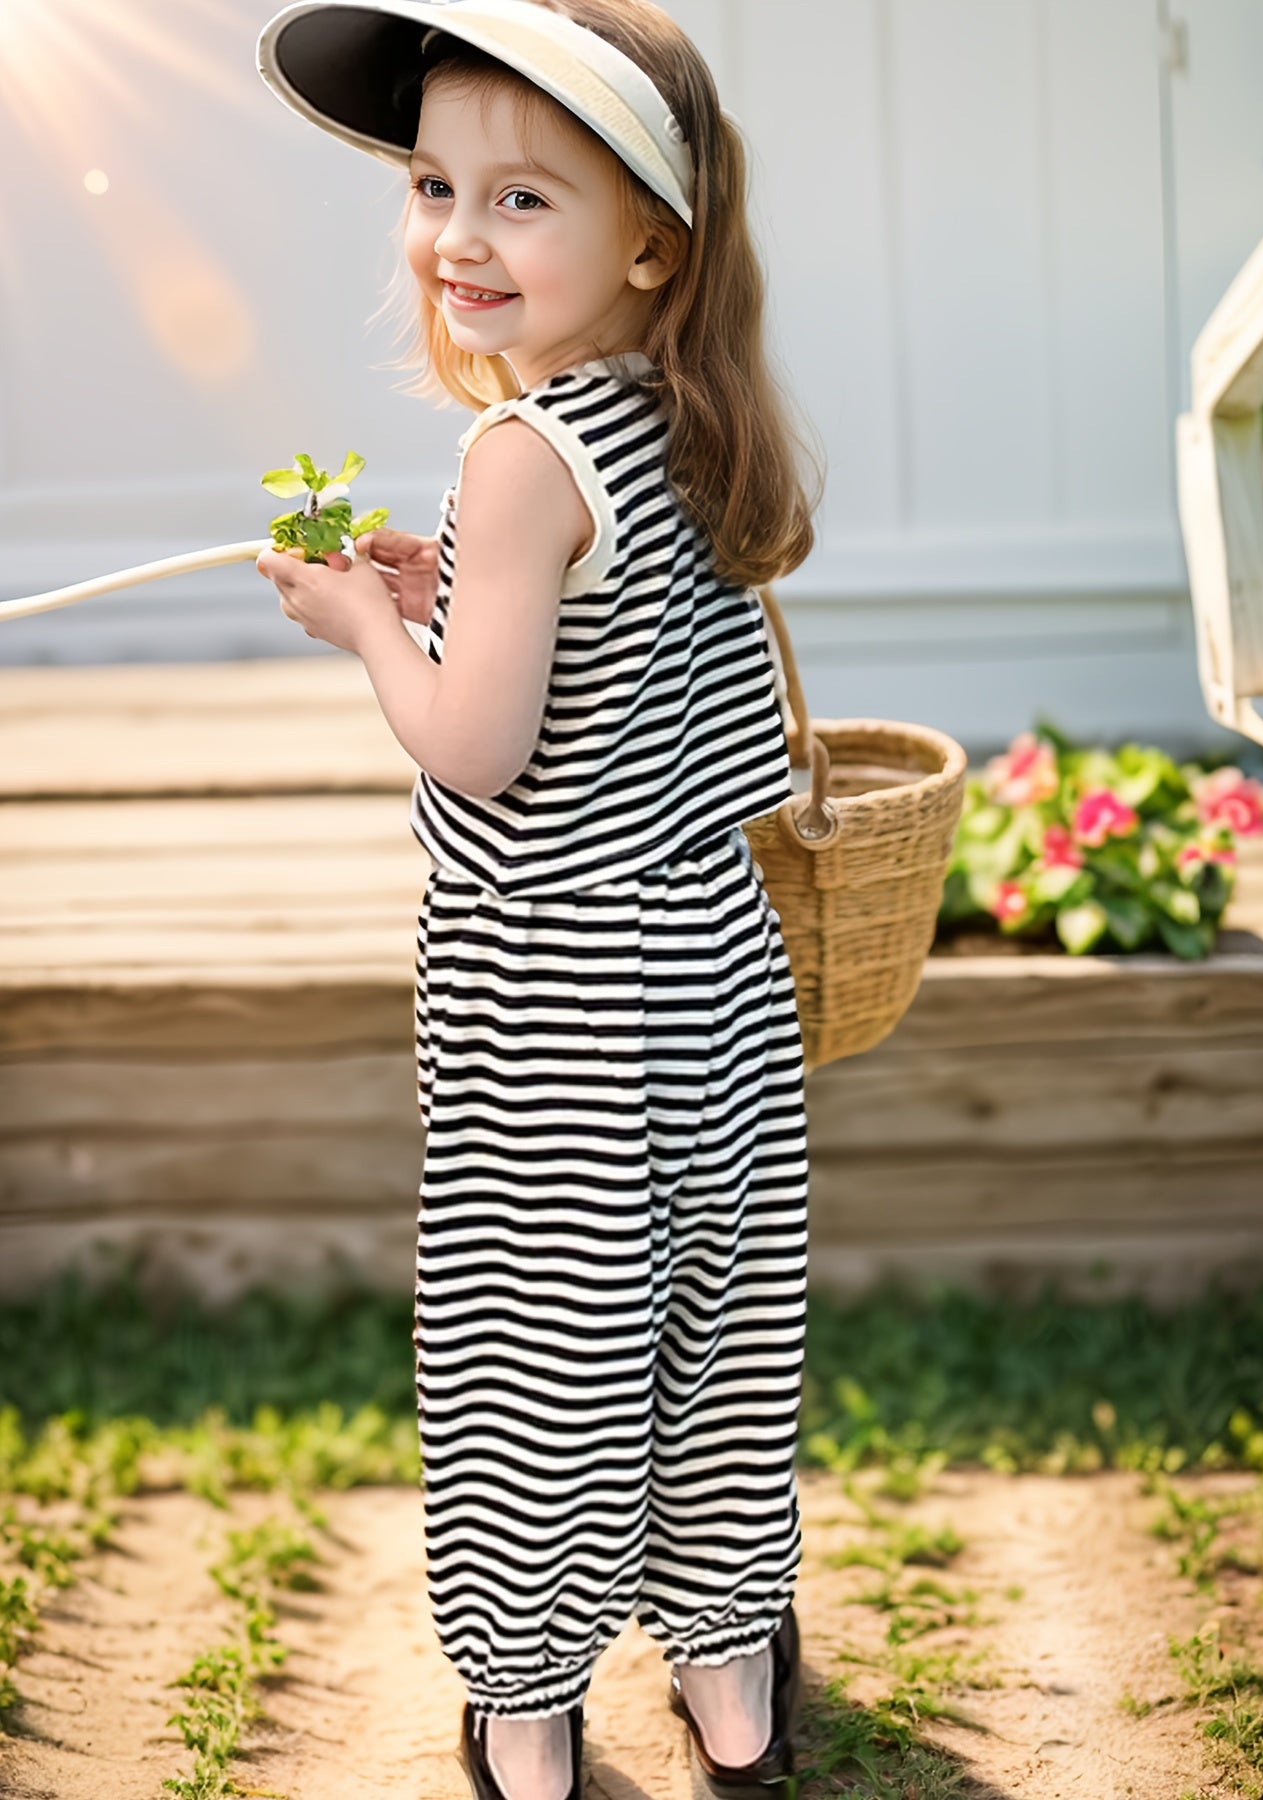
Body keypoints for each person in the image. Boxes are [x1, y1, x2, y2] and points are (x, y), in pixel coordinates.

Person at [252, 3, 823, 1796]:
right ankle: (733, 1684)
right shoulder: (686, 426)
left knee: (535, 1371)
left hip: (549, 1012)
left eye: (520, 199)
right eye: (433, 188)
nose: (457, 240)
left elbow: (478, 751)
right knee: (708, 1330)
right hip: (712, 986)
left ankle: (522, 1708)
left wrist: (367, 628)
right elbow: (623, 689)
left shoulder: (517, 459)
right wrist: (449, 594)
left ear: (651, 236)